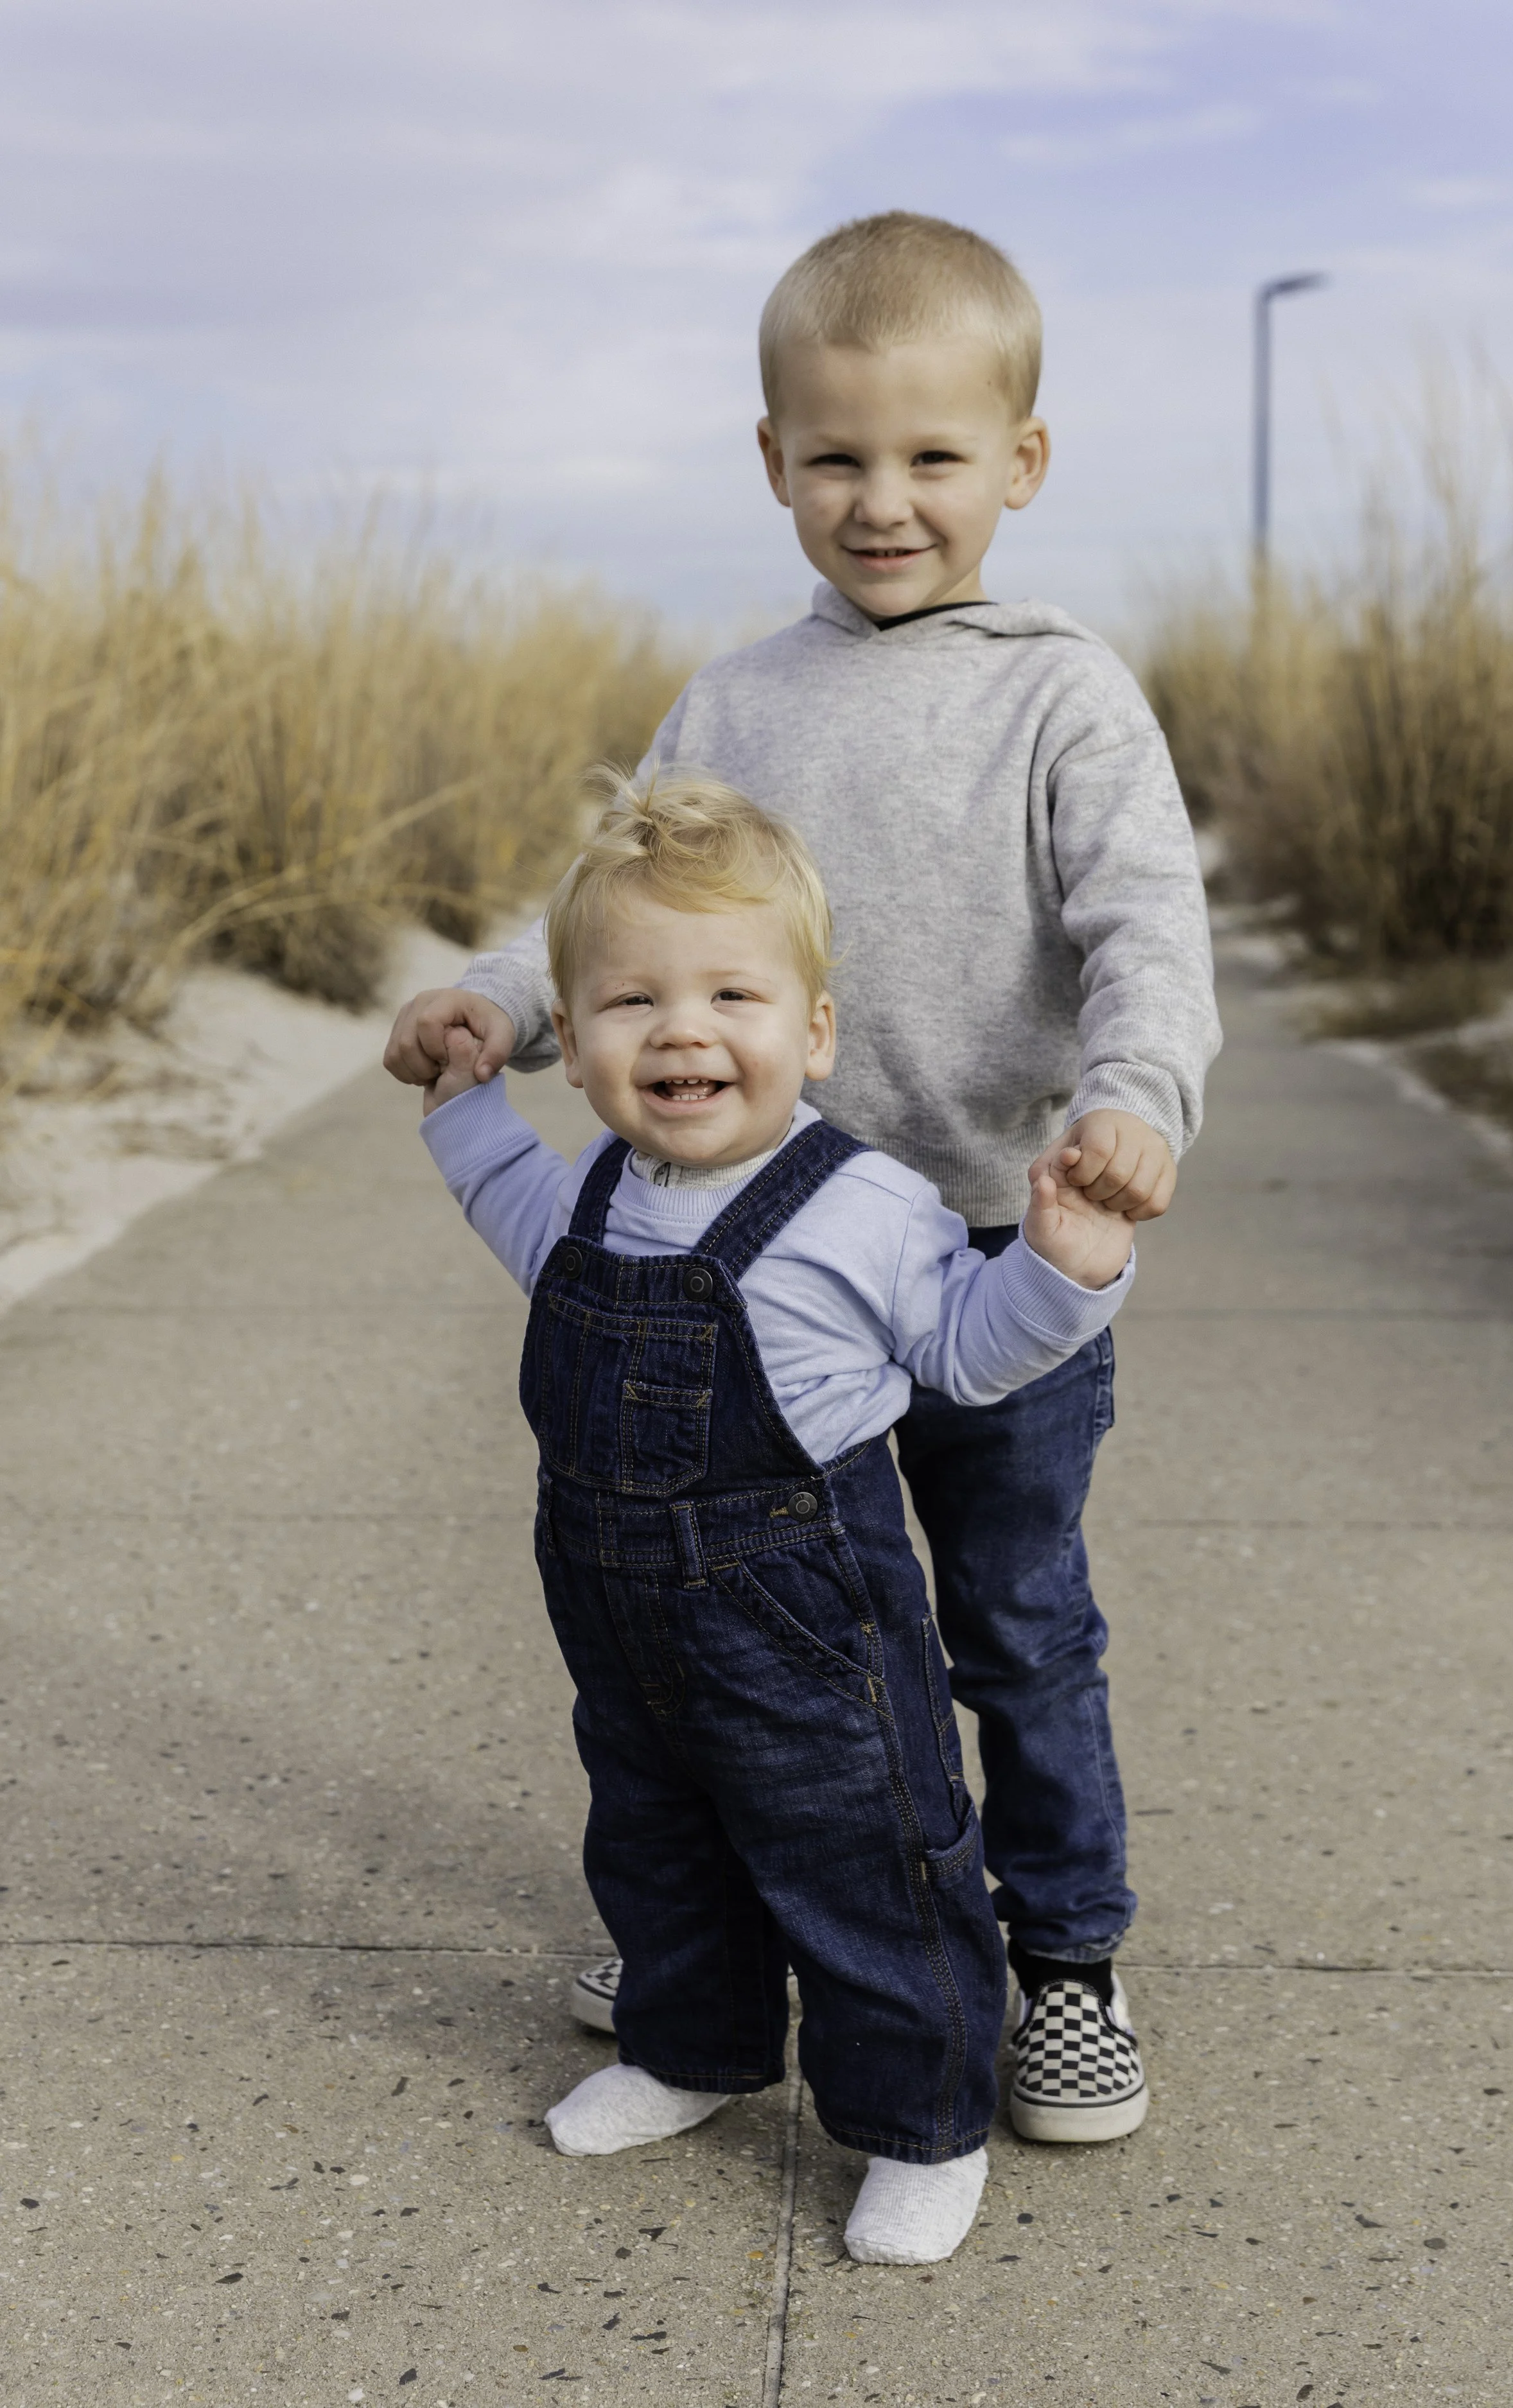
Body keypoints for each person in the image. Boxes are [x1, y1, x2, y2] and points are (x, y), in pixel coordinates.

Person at [386, 210, 1220, 2148]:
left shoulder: (1061, 697)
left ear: (1020, 461)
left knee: (1012, 1620)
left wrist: (1137, 1099)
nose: (883, 499)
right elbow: (626, 912)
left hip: (1006, 1236)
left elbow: (1143, 932)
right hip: (772, 1267)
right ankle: (730, 1938)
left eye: (933, 456)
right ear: (770, 460)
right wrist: (499, 1010)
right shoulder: (740, 700)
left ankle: (1065, 1956)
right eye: (835, 455)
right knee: (758, 1635)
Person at [417, 772, 1134, 2265]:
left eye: (732, 993)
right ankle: (691, 2050)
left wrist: (1061, 1271)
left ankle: (920, 2120)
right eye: (628, 1002)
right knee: (659, 1837)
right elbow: (509, 1212)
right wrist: (462, 1102)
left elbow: (960, 1352)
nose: (681, 1030)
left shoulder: (859, 1204)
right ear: (578, 1034)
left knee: (865, 1851)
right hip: (618, 1611)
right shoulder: (597, 1191)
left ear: (811, 1034)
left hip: (804, 1608)